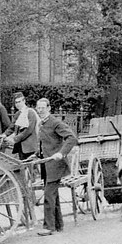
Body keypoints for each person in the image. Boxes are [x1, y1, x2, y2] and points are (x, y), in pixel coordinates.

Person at [34, 98, 76, 236]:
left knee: (48, 194)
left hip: (56, 164)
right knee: (53, 194)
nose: (40, 110)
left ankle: (49, 227)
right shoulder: (41, 123)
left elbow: (72, 138)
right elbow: (45, 143)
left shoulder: (55, 122)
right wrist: (37, 155)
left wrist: (61, 153)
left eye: (43, 108)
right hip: (46, 164)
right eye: (38, 108)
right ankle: (58, 224)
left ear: (49, 108)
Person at [0, 92, 39, 160]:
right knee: (21, 168)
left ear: (24, 101)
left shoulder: (30, 112)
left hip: (29, 147)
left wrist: (15, 139)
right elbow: (12, 127)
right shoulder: (17, 114)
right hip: (20, 147)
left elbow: (28, 130)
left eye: (19, 102)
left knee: (32, 168)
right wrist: (4, 135)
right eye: (16, 102)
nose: (17, 104)